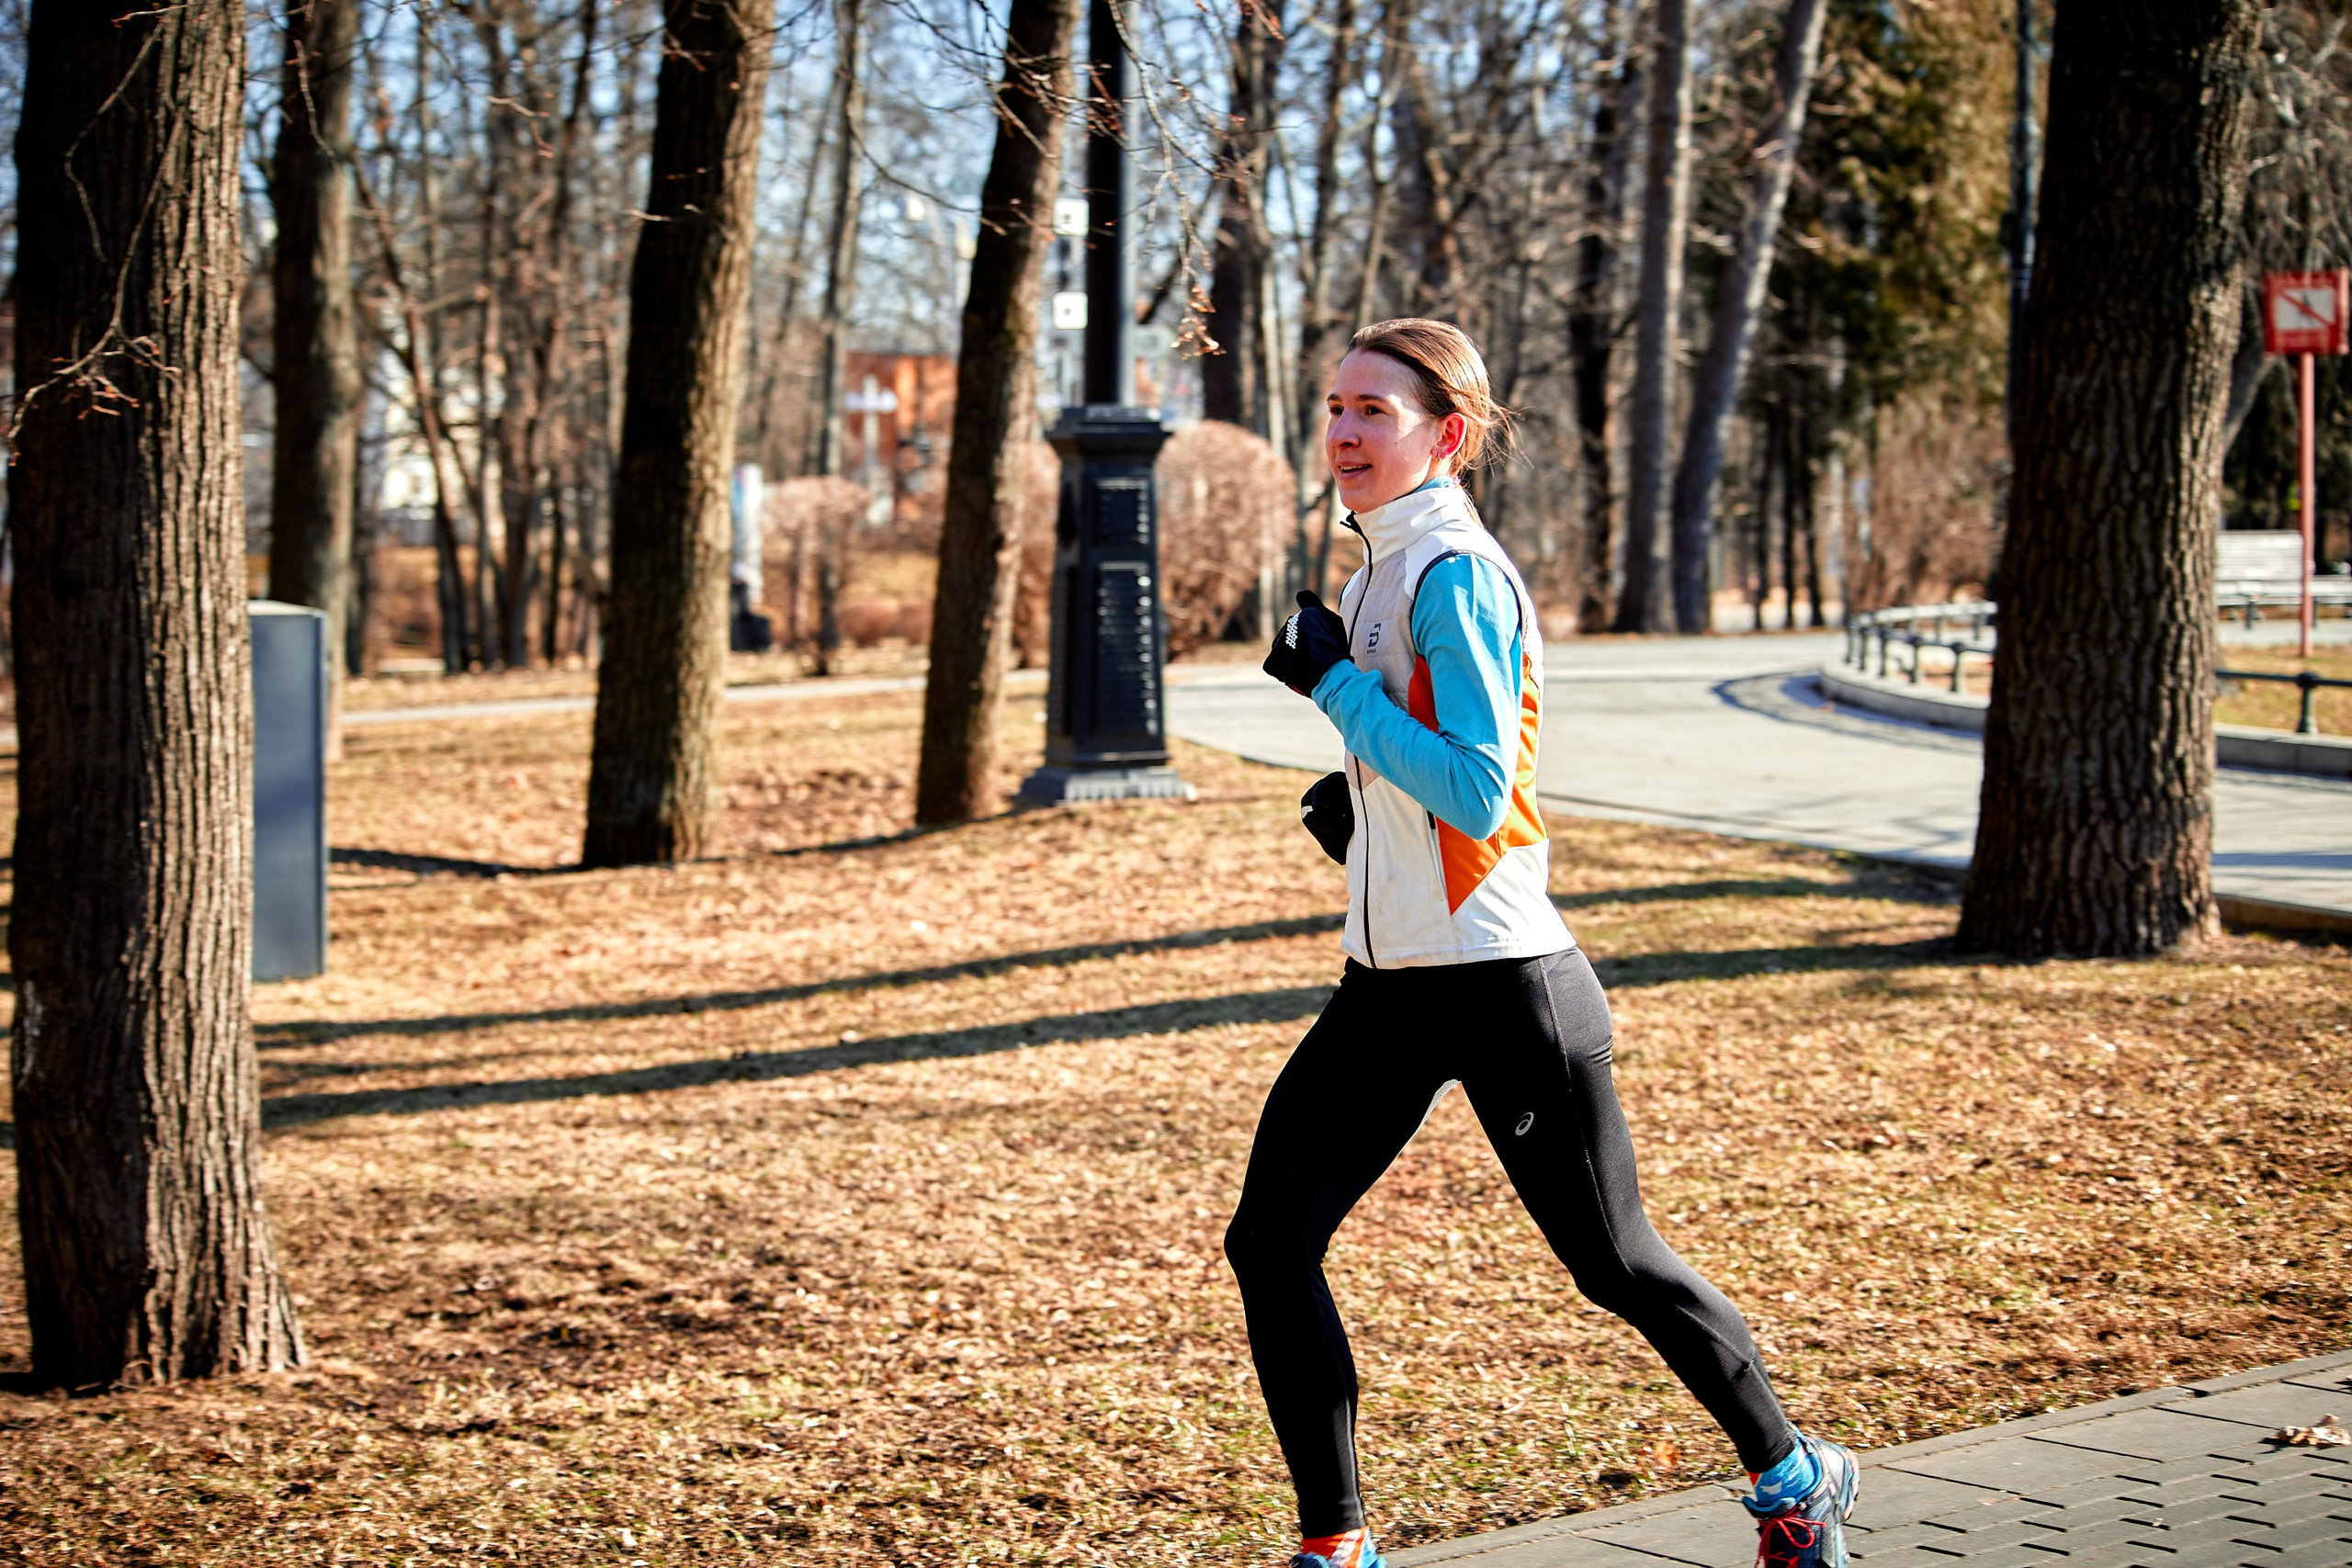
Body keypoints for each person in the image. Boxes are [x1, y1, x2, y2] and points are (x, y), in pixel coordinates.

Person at [1236, 318, 1858, 1568]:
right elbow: (1424, 784)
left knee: (1614, 1263)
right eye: (1337, 406)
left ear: (1447, 436)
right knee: (1271, 1241)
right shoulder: (1372, 577)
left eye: (1375, 411)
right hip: (1390, 985)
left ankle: (1796, 1476)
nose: (1344, 431)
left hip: (1505, 981)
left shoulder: (1455, 575)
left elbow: (1480, 791)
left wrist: (1335, 690)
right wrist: (1358, 818)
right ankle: (1336, 1544)